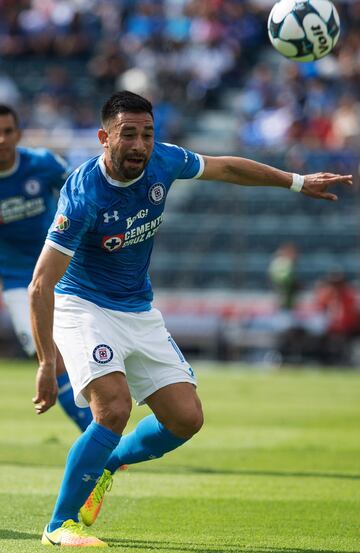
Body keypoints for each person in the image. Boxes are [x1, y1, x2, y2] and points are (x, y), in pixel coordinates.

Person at [29, 90, 352, 547]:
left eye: (147, 134)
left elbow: (227, 167)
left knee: (185, 419)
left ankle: (107, 463)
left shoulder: (164, 161)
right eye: (128, 135)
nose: (140, 144)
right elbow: (41, 284)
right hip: (84, 306)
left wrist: (296, 182)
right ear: (104, 138)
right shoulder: (82, 195)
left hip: (137, 308)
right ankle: (60, 525)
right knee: (114, 407)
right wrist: (47, 362)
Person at [0, 104, 92, 432]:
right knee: (49, 356)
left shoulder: (42, 164)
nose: (2, 139)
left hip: (61, 269)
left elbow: (80, 193)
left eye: (8, 131)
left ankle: (103, 433)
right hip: (17, 281)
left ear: (19, 134)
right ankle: (99, 438)